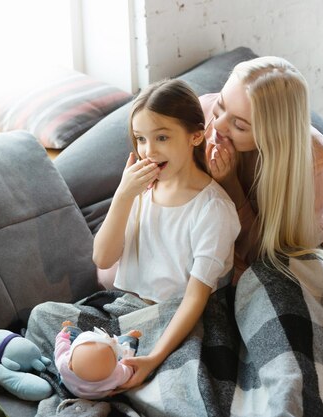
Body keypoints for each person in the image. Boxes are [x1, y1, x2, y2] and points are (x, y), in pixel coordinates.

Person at [90, 78, 241, 390]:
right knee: (43, 316)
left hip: (182, 321)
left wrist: (153, 359)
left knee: (178, 386)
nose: (148, 150)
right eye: (141, 139)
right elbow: (103, 258)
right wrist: (123, 196)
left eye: (161, 137)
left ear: (195, 136)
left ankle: (116, 372)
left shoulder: (213, 209)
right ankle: (104, 370)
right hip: (128, 313)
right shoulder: (140, 191)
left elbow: (196, 298)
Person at [200, 55, 323, 288]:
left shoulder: (313, 158)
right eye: (221, 105)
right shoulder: (201, 113)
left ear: (273, 134)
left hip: (272, 250)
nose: (220, 125)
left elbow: (275, 256)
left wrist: (230, 184)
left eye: (240, 125)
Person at [54, 320, 141, 399]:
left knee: (72, 337)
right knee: (127, 349)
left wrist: (62, 337)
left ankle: (71, 329)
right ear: (115, 364)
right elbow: (129, 366)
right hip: (98, 396)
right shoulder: (117, 374)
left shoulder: (64, 364)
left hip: (68, 387)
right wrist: (128, 357)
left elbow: (60, 348)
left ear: (70, 363)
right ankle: (128, 339)